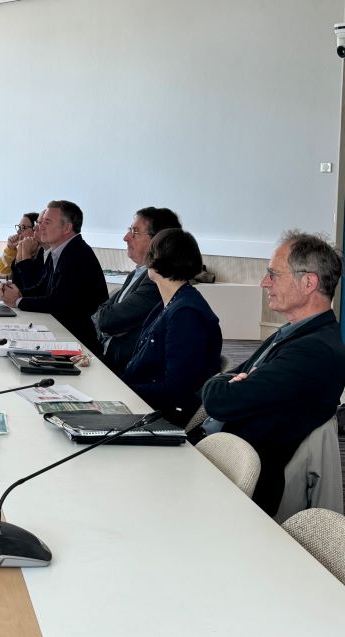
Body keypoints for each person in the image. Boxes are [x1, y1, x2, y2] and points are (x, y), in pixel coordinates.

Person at [199, 231, 345, 515]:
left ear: (308, 283)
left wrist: (225, 382)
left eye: (273, 274)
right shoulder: (294, 333)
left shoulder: (313, 351)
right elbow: (229, 383)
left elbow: (220, 400)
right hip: (221, 457)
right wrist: (229, 381)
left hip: (242, 485)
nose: (264, 282)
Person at [121, 229, 221, 426]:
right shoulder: (170, 303)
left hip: (161, 417)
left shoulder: (186, 314)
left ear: (156, 261)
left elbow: (176, 389)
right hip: (144, 404)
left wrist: (122, 390)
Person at [0, 200, 108, 353]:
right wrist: (15, 292)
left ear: (67, 228)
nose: (39, 227)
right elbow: (42, 288)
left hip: (79, 343)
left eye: (47, 222)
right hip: (61, 332)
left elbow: (58, 302)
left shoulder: (77, 254)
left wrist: (17, 300)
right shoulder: (58, 251)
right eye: (41, 222)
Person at [94, 207, 183, 375]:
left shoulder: (157, 282)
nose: (126, 237)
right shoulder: (137, 273)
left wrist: (104, 321)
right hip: (108, 359)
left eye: (135, 232)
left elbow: (107, 320)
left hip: (123, 371)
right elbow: (100, 315)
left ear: (158, 241)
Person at [0, 212, 39, 279]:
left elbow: (27, 281)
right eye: (19, 227)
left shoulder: (42, 254)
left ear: (35, 229)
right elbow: (1, 275)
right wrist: (10, 249)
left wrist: (25, 252)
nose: (18, 232)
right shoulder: (20, 250)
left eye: (22, 227)